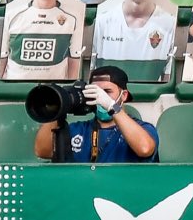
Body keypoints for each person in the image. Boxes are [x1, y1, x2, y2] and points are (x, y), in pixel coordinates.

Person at [31, 64, 159, 163]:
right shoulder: (78, 129)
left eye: (107, 91)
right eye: (95, 91)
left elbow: (145, 148)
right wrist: (58, 105)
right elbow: (42, 151)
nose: (100, 96)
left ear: (124, 95)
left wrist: (111, 105)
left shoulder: (143, 128)